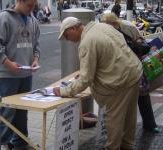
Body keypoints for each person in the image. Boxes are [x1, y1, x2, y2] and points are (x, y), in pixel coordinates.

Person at [53, 16, 142, 150]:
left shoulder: (87, 42)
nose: (67, 40)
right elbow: (110, 53)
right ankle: (127, 145)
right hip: (134, 72)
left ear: (73, 28)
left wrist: (64, 91)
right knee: (130, 116)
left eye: (67, 35)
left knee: (114, 119)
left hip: (119, 82)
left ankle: (113, 147)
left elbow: (85, 79)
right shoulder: (102, 26)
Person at [0, 0, 41, 149]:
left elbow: (36, 44)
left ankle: (20, 142)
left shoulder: (33, 20)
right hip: (7, 75)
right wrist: (8, 63)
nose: (31, 9)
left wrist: (35, 59)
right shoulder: (3, 17)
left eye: (33, 6)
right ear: (19, 1)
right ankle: (3, 143)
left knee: (22, 110)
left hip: (26, 73)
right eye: (29, 5)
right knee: (7, 111)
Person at [101, 13, 161, 133]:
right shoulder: (105, 32)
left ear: (115, 23)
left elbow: (141, 41)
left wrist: (137, 43)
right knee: (124, 98)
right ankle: (123, 128)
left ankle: (149, 124)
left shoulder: (127, 27)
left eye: (109, 26)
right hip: (119, 67)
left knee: (143, 95)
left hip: (135, 64)